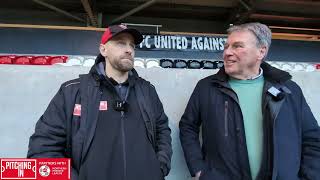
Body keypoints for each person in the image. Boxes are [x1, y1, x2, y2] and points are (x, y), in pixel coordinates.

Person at [27, 24, 172, 180]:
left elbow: (162, 130)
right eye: (121, 43)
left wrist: (159, 167)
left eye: (132, 45)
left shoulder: (147, 91)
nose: (129, 50)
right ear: (103, 50)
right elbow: (43, 149)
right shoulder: (72, 91)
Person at [179, 22, 320, 180]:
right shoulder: (207, 88)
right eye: (226, 47)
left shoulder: (288, 90)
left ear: (261, 51)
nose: (227, 52)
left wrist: (310, 176)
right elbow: (187, 127)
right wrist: (199, 170)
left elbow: (312, 138)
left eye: (237, 46)